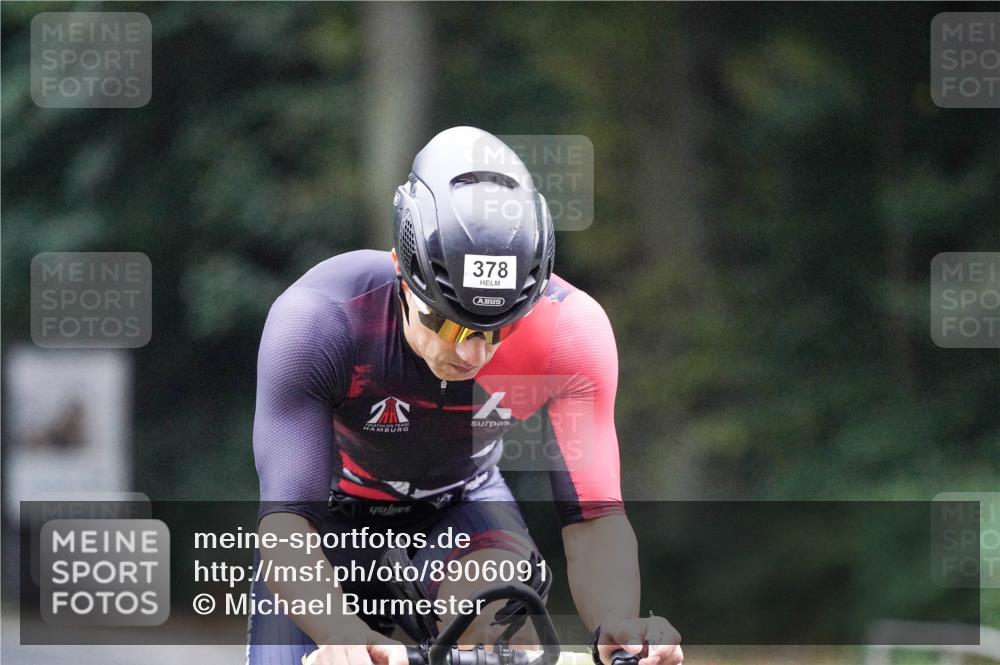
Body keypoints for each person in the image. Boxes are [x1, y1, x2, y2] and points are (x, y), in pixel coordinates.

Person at [248, 127, 683, 665]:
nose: (473, 353)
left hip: (463, 506)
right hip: (327, 521)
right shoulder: (321, 320)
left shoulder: (569, 331)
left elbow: (594, 517)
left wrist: (617, 623)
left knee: (501, 621)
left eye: (499, 328)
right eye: (450, 323)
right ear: (402, 272)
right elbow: (288, 521)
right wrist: (340, 633)